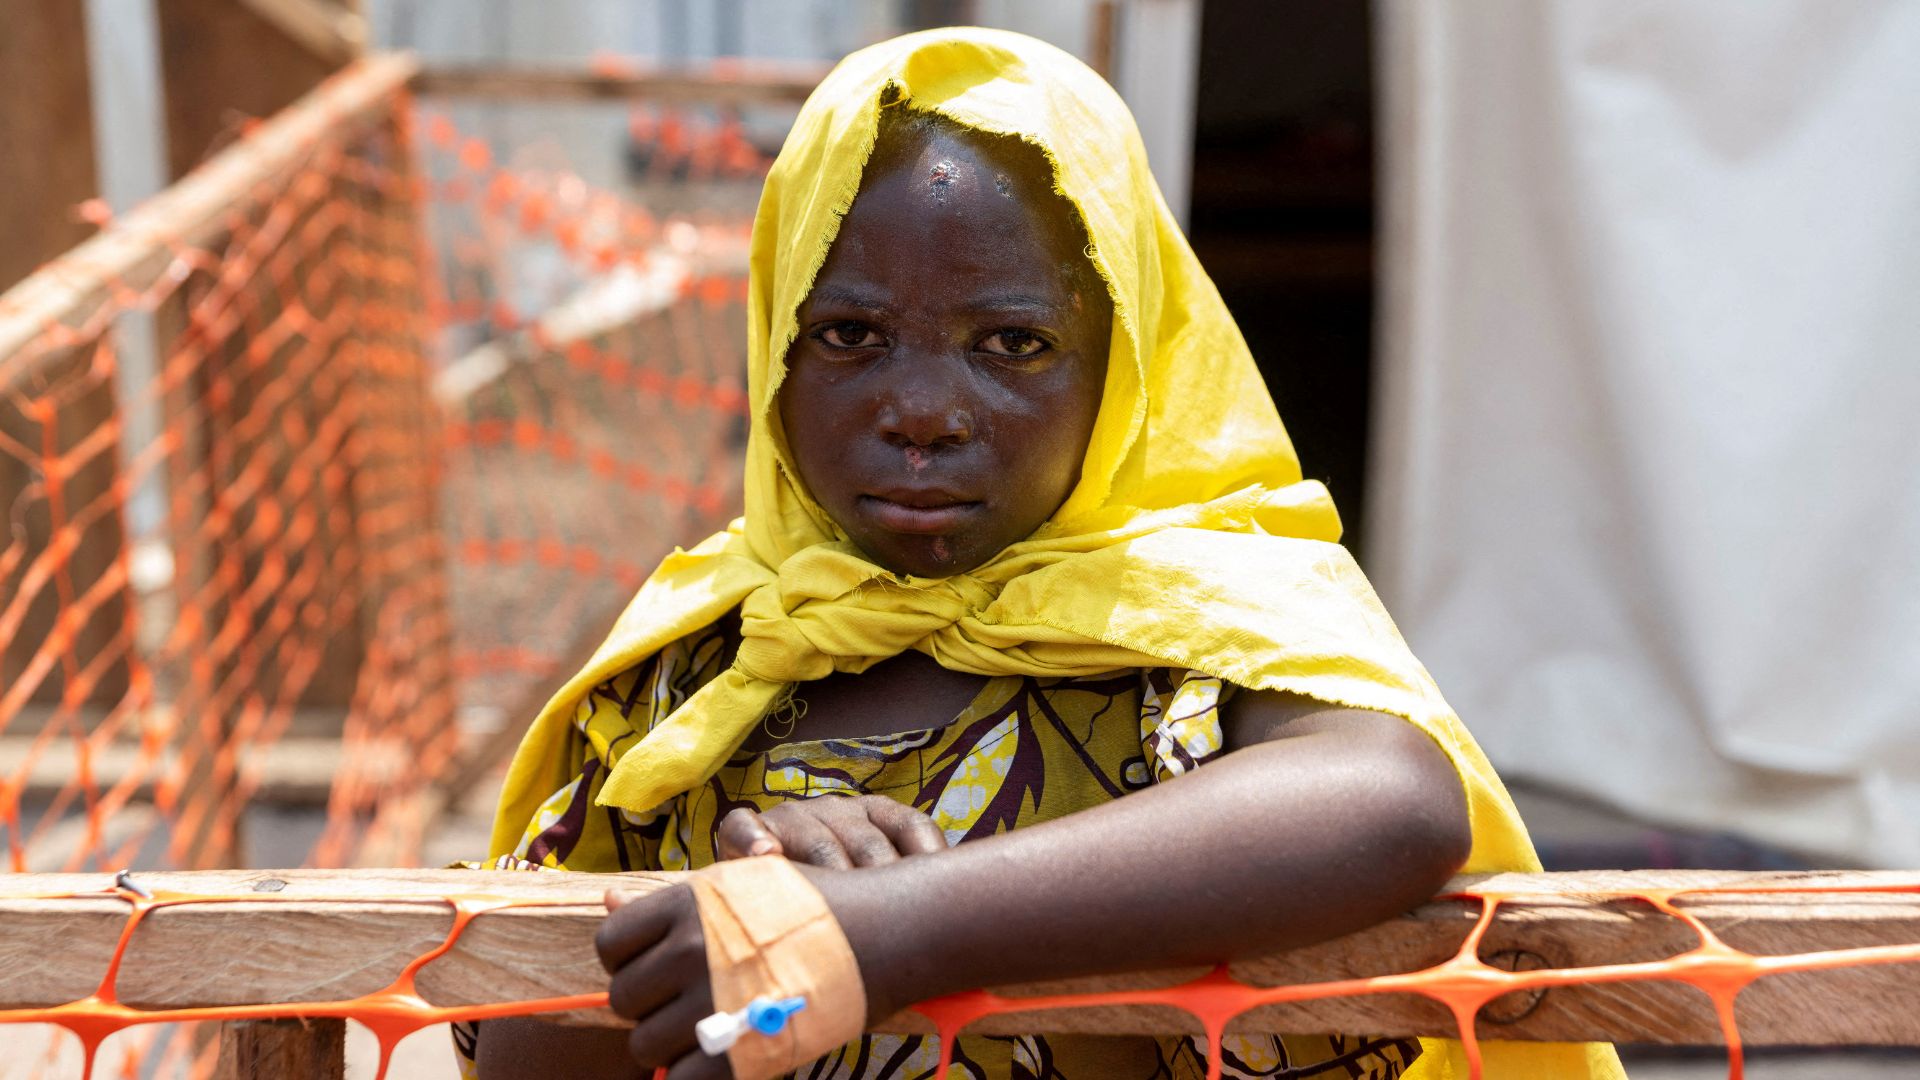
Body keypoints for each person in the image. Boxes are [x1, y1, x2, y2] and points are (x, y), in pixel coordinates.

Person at [465, 27, 1625, 1080]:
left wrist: (892, 926)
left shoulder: (1193, 620)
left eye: (1012, 344)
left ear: (1123, 366)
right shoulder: (696, 674)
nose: (922, 407)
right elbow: (524, 1044)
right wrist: (727, 915)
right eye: (850, 335)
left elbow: (1392, 803)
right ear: (775, 349)